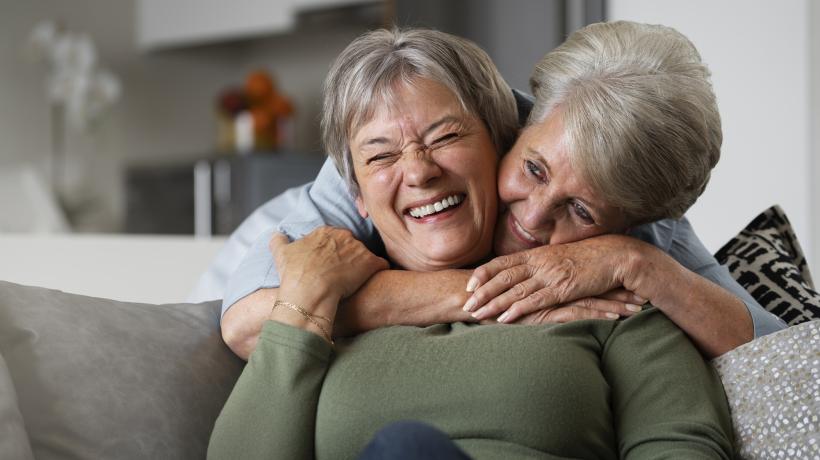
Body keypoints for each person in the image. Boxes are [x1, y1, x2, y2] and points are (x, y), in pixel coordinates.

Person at [208, 25, 734, 459]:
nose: (418, 171)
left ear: (495, 139)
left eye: (445, 137)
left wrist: (632, 261)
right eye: (382, 156)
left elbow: (684, 440)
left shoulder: (608, 294)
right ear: (357, 195)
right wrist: (306, 302)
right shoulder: (317, 301)